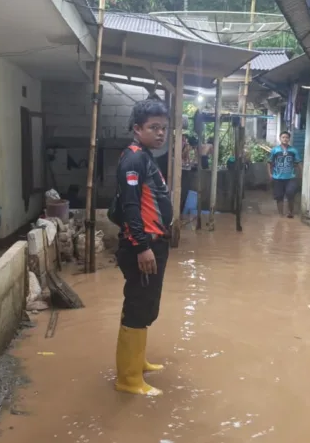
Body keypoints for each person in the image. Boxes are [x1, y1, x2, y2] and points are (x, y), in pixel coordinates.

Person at [112, 99, 173, 397]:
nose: (161, 133)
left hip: (153, 244)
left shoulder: (145, 157)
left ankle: (139, 362)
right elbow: (130, 206)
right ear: (137, 129)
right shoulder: (134, 159)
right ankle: (128, 378)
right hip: (143, 246)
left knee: (147, 304)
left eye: (164, 127)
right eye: (154, 127)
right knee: (137, 306)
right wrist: (141, 247)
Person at [267, 131, 302, 218]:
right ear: (280, 138)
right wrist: (270, 174)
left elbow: (298, 162)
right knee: (279, 196)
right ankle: (281, 215)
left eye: (287, 137)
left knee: (290, 193)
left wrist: (302, 174)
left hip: (290, 177)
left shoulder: (293, 150)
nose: (285, 139)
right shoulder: (275, 150)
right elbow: (269, 162)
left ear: (289, 139)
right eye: (283, 137)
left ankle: (290, 212)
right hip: (277, 177)